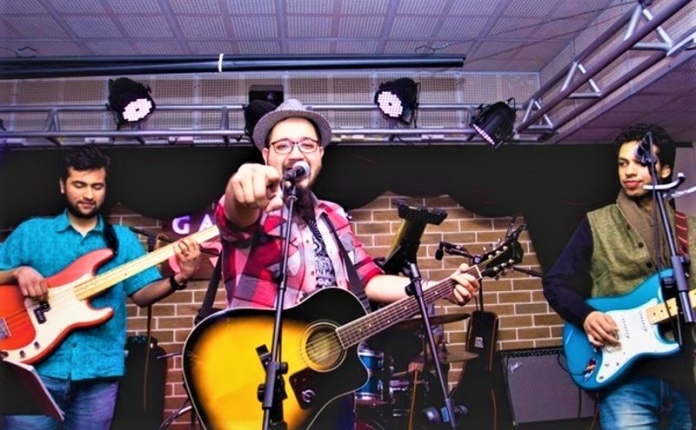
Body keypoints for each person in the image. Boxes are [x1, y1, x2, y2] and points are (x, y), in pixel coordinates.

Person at [215, 98, 480, 428]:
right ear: (266, 155)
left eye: (307, 144)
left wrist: (438, 288)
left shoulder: (334, 215)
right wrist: (240, 188)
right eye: (282, 145)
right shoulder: (258, 209)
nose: (295, 153)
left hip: (329, 379)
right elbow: (234, 216)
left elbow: (369, 279)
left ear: (320, 155)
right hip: (259, 377)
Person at [0, 146, 201, 430]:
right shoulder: (31, 232)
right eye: (79, 185)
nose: (88, 194)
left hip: (99, 373)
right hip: (33, 372)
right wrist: (18, 272)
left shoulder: (122, 239)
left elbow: (142, 294)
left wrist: (180, 277)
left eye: (97, 186)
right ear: (62, 185)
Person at [542, 123, 696, 429]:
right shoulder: (596, 223)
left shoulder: (687, 227)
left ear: (665, 170)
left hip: (683, 375)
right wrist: (587, 316)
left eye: (640, 163)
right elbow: (555, 282)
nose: (629, 172)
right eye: (623, 164)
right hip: (625, 378)